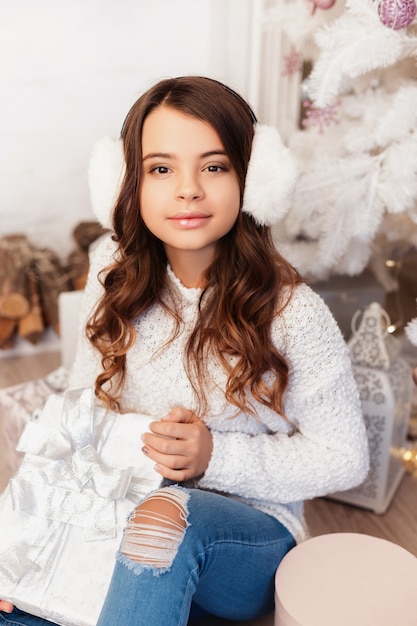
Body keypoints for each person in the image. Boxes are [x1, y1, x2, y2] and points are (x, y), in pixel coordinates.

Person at [0, 76, 369, 626]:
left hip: (244, 539)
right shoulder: (111, 274)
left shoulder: (294, 313)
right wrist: (20, 547)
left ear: (253, 180)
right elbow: (81, 408)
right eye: (161, 168)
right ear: (130, 183)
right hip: (120, 508)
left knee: (165, 516)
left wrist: (213, 457)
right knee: (18, 601)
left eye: (215, 166)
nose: (189, 189)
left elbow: (346, 458)